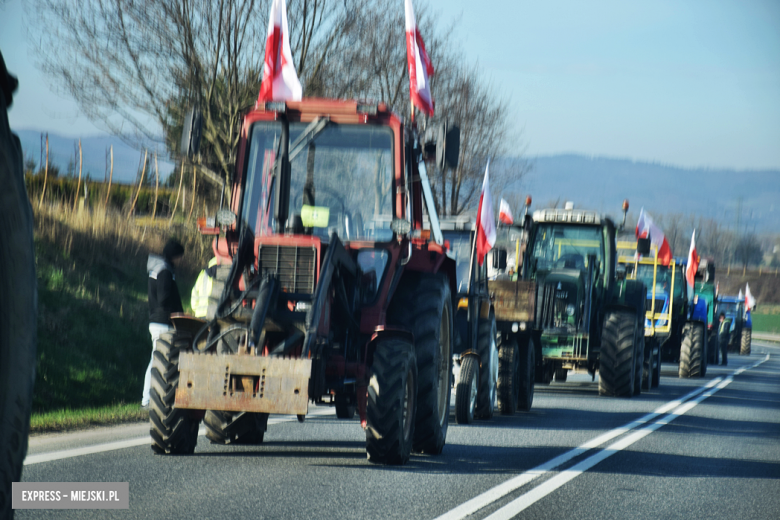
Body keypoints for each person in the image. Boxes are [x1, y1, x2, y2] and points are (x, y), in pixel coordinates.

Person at [142, 239, 184, 408]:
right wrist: (176, 312)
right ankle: (146, 398)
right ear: (175, 256)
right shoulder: (165, 271)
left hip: (156, 321)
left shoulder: (157, 268)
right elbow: (164, 298)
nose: (181, 260)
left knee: (157, 359)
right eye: (180, 256)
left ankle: (150, 398)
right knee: (157, 360)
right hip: (163, 322)